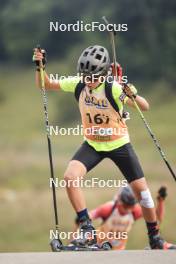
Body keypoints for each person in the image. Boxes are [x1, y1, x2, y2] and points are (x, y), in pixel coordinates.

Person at [33, 45, 175, 249]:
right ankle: (87, 227)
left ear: (102, 74)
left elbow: (145, 107)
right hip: (93, 144)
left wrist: (131, 93)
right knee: (70, 177)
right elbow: (44, 85)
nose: (87, 81)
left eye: (91, 77)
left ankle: (155, 239)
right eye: (84, 76)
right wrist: (40, 67)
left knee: (142, 193)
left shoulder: (113, 88)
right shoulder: (78, 84)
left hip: (119, 145)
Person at [73, 186, 169, 249]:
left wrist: (161, 201)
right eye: (125, 206)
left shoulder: (135, 211)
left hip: (118, 251)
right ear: (119, 201)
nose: (128, 210)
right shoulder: (108, 208)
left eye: (131, 207)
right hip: (98, 246)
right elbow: (83, 219)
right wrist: (74, 239)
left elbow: (157, 217)